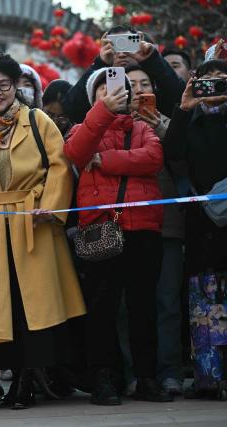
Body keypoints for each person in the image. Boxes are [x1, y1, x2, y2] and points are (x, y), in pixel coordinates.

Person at [0, 51, 86, 409]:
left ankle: (28, 380)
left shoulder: (38, 120)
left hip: (33, 222)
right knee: (2, 308)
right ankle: (16, 378)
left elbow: (59, 166)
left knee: (32, 307)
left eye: (4, 85)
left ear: (15, 86)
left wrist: (49, 205)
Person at [64, 67, 171, 405]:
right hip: (100, 228)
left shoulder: (142, 128)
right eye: (102, 90)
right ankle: (104, 378)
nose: (110, 94)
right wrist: (103, 113)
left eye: (117, 91)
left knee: (143, 307)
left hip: (143, 228)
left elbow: (153, 157)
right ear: (91, 98)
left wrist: (105, 160)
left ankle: (147, 377)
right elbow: (76, 154)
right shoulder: (83, 129)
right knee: (102, 308)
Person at [162, 60, 227, 396]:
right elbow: (171, 152)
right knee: (205, 301)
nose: (213, 88)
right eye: (206, 81)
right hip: (202, 223)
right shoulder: (191, 117)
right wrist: (184, 108)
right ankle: (209, 377)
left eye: (221, 81)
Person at [125, 64, 186, 395]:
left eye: (144, 83)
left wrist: (161, 125)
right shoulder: (110, 122)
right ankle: (134, 372)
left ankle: (169, 371)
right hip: (125, 223)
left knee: (167, 301)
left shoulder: (170, 125)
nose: (136, 89)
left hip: (166, 224)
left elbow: (182, 158)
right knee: (128, 303)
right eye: (129, 83)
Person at [63, 25, 185, 124]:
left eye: (126, 44)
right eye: (115, 46)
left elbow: (180, 98)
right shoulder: (101, 83)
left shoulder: (154, 80)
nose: (121, 54)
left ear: (138, 42)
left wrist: (151, 59)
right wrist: (100, 62)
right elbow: (72, 110)